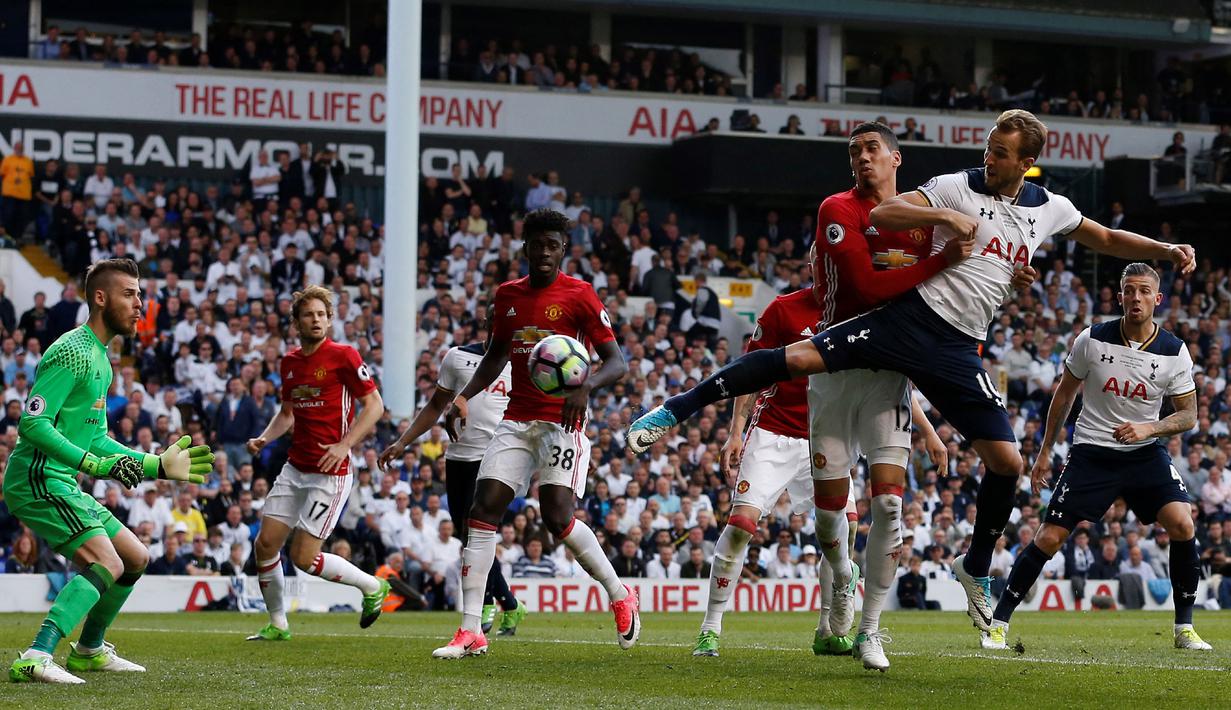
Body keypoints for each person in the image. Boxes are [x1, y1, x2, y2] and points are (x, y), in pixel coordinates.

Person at [627, 109, 1195, 638]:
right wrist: (943, 214)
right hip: (908, 320)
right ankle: (679, 405)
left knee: (1008, 462)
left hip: (957, 349)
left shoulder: (1050, 207)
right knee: (797, 356)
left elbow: (1106, 238)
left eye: (1001, 154)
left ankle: (975, 566)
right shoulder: (955, 185)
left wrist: (1165, 249)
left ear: (1026, 162)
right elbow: (884, 213)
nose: (989, 159)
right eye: (989, 149)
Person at [692, 122, 963, 668]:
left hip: (876, 392)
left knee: (877, 509)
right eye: (855, 151)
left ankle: (843, 625)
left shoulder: (903, 240)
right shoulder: (786, 308)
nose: (825, 261)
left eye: (872, 149)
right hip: (780, 429)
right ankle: (712, 626)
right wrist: (736, 433)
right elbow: (754, 371)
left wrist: (930, 430)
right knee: (747, 524)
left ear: (894, 157)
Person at [432, 208, 637, 659]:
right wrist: (464, 397)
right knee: (481, 512)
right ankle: (470, 630)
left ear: (564, 249)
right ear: (524, 247)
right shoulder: (507, 297)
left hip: (562, 423)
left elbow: (617, 363)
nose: (544, 252)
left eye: (553, 245)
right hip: (516, 418)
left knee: (558, 519)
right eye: (537, 244)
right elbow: (495, 355)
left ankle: (619, 593)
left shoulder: (581, 296)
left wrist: (584, 387)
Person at [6, 259, 213, 684]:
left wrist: (154, 464)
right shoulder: (70, 351)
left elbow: (96, 437)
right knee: (107, 562)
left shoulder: (101, 359)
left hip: (61, 479)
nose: (140, 303)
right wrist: (94, 466)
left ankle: (88, 651)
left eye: (140, 294)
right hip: (36, 478)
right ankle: (36, 654)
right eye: (130, 294)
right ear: (100, 298)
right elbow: (32, 423)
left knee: (135, 557)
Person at [985, 263, 1211, 652]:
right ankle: (998, 622)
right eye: (1129, 290)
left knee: (1182, 523)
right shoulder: (1091, 340)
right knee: (1050, 537)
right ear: (1120, 295)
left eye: (1143, 291)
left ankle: (1184, 629)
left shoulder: (1174, 351)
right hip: (1092, 452)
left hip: (1143, 452)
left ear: (1157, 299)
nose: (1135, 297)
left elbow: (1188, 415)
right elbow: (1064, 395)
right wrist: (1043, 454)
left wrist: (1149, 429)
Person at [245, 285, 390, 641]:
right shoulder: (290, 363)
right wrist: (266, 437)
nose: (316, 320)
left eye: (322, 315)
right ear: (296, 322)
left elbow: (375, 406)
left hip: (331, 473)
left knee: (304, 558)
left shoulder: (344, 356)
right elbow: (287, 413)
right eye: (309, 314)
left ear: (330, 320)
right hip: (296, 468)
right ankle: (278, 624)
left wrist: (345, 445)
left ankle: (373, 586)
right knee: (265, 545)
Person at [378, 330, 527, 637]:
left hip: (496, 456)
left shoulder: (520, 363)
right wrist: (403, 442)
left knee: (478, 530)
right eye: (495, 320)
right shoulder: (458, 357)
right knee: (466, 536)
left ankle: (485, 603)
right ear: (488, 321)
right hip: (459, 457)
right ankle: (510, 603)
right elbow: (435, 406)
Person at [1, 141, 35, 240]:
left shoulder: (28, 161)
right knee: (8, 216)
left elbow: (30, 175)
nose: (19, 149)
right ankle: (6, 237)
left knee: (22, 217)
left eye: (21, 148)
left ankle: (17, 237)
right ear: (14, 148)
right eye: (17, 147)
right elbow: (2, 175)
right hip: (9, 193)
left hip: (24, 194)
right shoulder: (7, 159)